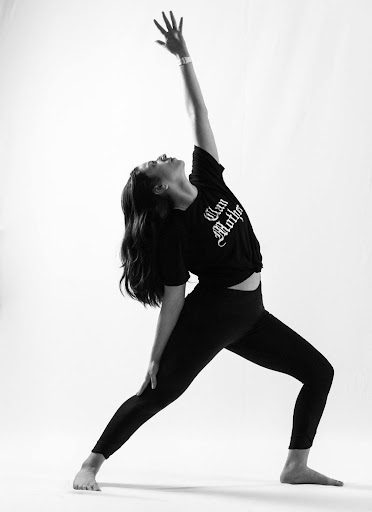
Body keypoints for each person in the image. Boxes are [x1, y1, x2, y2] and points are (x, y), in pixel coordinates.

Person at [73, 11, 344, 491]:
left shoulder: (208, 180)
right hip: (217, 314)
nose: (162, 156)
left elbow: (200, 116)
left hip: (251, 311)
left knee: (319, 372)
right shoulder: (176, 232)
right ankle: (90, 465)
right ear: (158, 190)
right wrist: (156, 356)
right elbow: (175, 298)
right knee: (158, 392)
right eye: (153, 165)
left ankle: (295, 466)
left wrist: (184, 59)